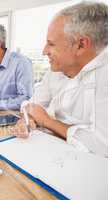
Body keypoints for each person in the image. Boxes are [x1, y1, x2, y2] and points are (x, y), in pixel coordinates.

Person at [15, 2, 108, 157]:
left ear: (81, 45)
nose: (44, 51)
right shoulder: (59, 67)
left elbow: (102, 144)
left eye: (51, 44)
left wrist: (47, 121)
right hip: (51, 151)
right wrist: (28, 118)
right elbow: (33, 104)